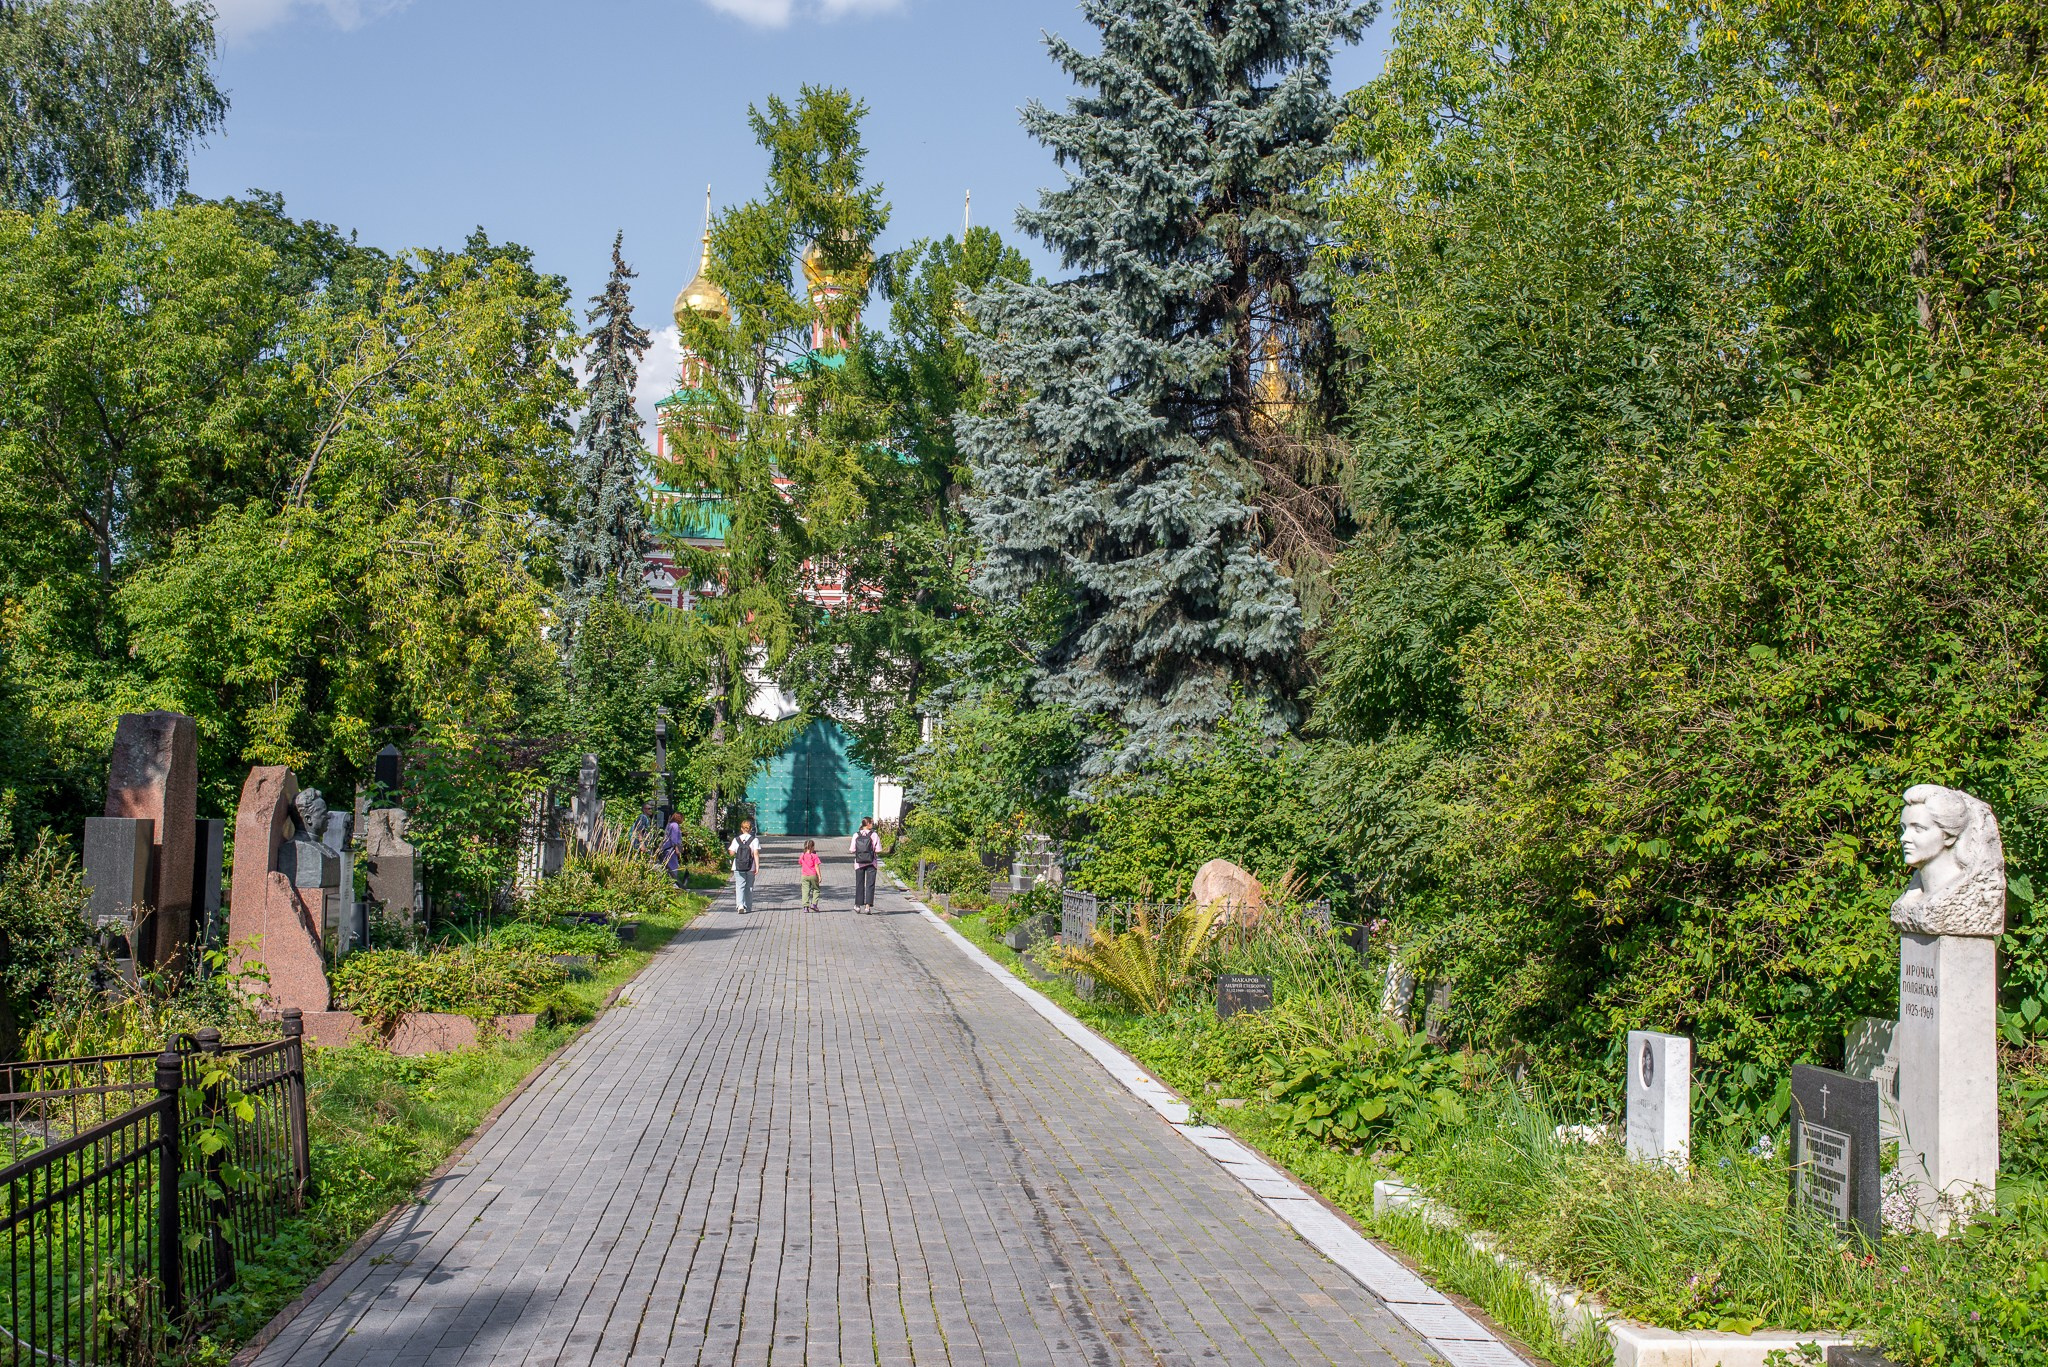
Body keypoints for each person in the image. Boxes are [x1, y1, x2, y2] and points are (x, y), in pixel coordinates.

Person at [728, 817, 762, 914]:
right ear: (750, 829)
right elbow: (755, 853)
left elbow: (731, 853)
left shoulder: (736, 840)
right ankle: (748, 906)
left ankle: (740, 905)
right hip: (750, 866)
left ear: (741, 829)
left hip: (738, 866)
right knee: (749, 887)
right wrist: (757, 866)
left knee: (740, 886)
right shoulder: (754, 840)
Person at [850, 817, 880, 914]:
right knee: (870, 884)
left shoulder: (856, 835)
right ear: (868, 824)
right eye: (872, 823)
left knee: (859, 884)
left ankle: (858, 905)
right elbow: (878, 849)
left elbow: (852, 850)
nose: (873, 824)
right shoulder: (874, 835)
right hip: (871, 862)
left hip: (859, 863)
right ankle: (867, 906)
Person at [658, 812, 683, 888]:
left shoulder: (669, 824)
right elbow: (674, 838)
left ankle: (667, 882)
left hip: (665, 848)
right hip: (671, 849)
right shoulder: (675, 825)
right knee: (673, 866)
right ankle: (673, 883)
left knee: (667, 866)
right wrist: (677, 850)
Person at [798, 839, 822, 913]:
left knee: (805, 891)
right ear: (812, 847)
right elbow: (816, 866)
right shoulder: (814, 856)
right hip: (813, 875)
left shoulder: (802, 855)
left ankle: (805, 907)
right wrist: (819, 876)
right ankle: (814, 904)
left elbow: (800, 863)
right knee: (816, 889)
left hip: (804, 875)